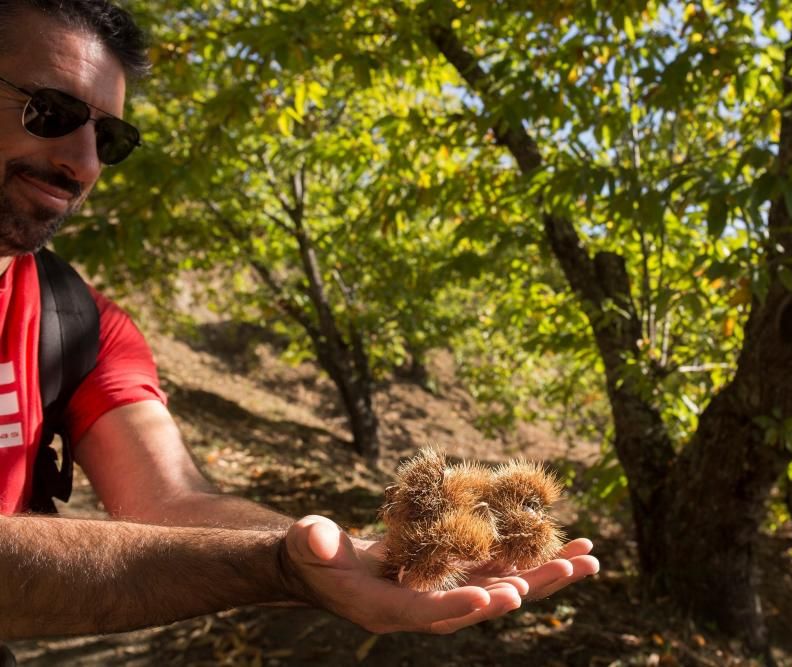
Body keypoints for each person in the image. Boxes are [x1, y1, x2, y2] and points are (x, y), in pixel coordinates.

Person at [0, 0, 598, 644]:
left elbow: (170, 500)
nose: (84, 163)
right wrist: (269, 568)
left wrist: (329, 555)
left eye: (109, 139)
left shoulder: (81, 323)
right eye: (51, 113)